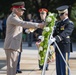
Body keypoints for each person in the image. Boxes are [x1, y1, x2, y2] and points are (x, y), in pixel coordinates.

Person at [4, 1, 44, 75]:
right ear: (16, 9)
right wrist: (38, 25)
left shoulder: (18, 18)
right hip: (11, 46)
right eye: (21, 10)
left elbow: (21, 28)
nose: (23, 11)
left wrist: (29, 30)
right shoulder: (13, 17)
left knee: (13, 68)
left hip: (14, 46)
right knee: (11, 68)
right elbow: (23, 24)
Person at [49, 5, 74, 75]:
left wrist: (56, 38)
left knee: (64, 67)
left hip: (65, 47)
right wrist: (49, 37)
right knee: (59, 67)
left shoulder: (70, 23)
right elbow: (55, 32)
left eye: (61, 14)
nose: (60, 15)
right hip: (58, 46)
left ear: (66, 13)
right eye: (59, 14)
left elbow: (66, 33)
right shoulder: (59, 23)